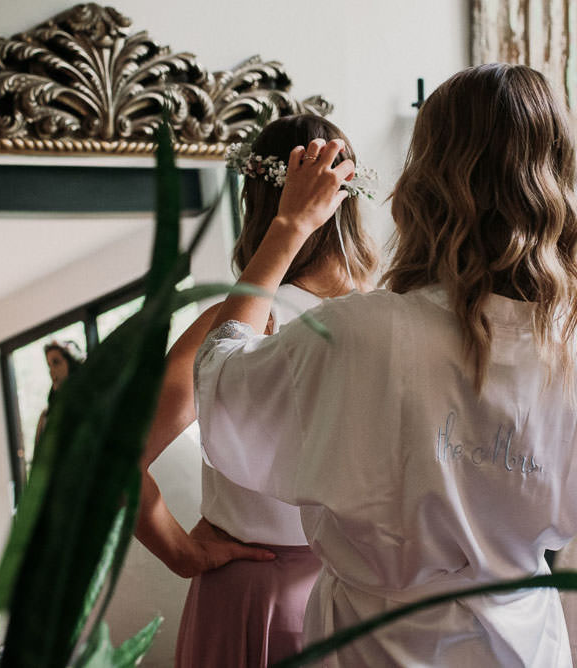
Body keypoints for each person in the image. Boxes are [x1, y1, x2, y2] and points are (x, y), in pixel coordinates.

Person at [194, 63, 577, 667]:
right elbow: (575, 502)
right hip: (522, 639)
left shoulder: (358, 330)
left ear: (428, 179)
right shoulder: (574, 339)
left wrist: (286, 227)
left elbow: (221, 379)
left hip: (382, 643)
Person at [134, 114, 380, 668]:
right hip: (372, 599)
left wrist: (182, 552)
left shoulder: (230, 325)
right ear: (351, 198)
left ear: (256, 204)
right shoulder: (393, 316)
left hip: (254, 599)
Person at [33, 340, 84, 451]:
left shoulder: (90, 405)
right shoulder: (45, 417)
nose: (51, 371)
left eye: (56, 362)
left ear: (72, 363)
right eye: (49, 365)